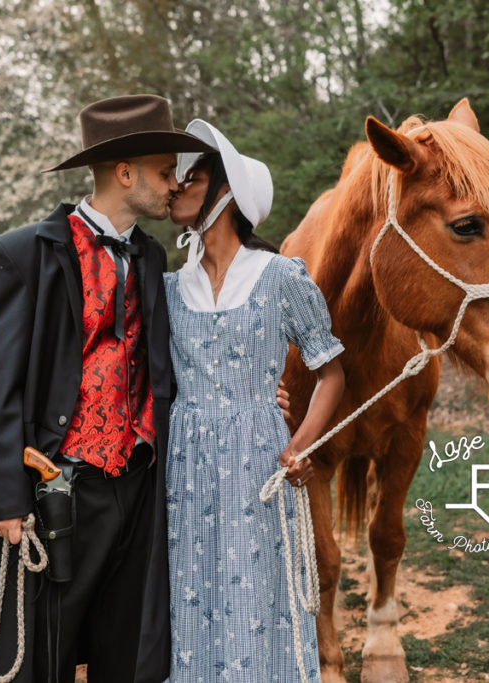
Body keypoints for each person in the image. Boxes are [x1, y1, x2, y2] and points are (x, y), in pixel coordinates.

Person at [0, 94, 215, 683]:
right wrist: (5, 497)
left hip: (139, 482)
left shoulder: (153, 256)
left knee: (128, 646)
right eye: (163, 172)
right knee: (46, 646)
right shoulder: (23, 254)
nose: (173, 187)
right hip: (63, 485)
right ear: (124, 173)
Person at [163, 120, 346, 681]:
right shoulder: (168, 287)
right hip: (186, 463)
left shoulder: (282, 278)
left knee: (259, 602)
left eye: (189, 176)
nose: (174, 185)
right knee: (190, 598)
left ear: (224, 193)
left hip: (260, 460)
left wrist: (299, 443)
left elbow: (333, 373)